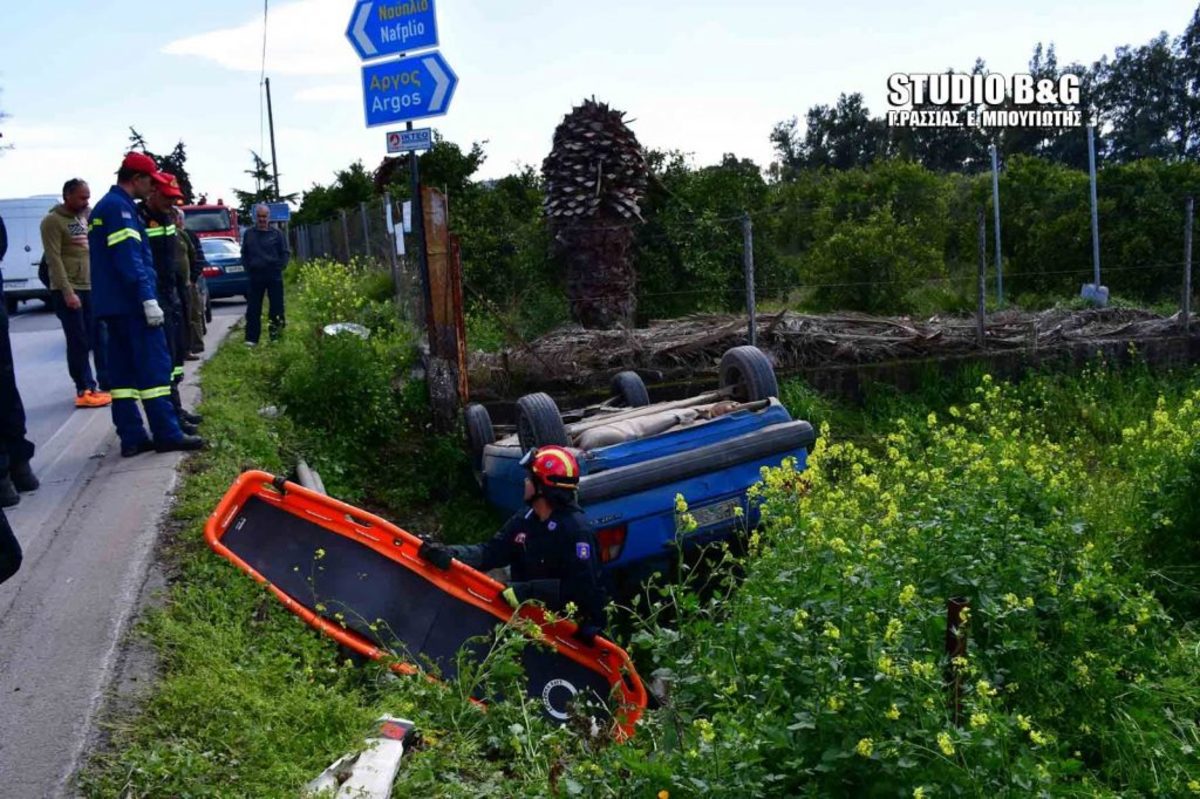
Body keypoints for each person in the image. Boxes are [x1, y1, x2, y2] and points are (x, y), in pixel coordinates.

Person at [418, 445, 608, 642]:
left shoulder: (576, 531)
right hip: (529, 626)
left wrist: (528, 591)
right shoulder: (526, 520)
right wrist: (450, 554)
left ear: (542, 488)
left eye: (529, 478)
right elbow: (491, 552)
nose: (525, 482)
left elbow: (582, 589)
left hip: (568, 636)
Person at [89, 152, 203, 457]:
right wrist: (147, 298)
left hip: (114, 307)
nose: (152, 189)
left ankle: (133, 437)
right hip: (132, 305)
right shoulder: (120, 210)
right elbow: (129, 258)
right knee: (154, 371)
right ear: (136, 179)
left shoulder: (107, 206)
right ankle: (167, 433)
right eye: (150, 182)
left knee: (123, 376)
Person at [139, 173, 201, 434]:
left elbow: (171, 261)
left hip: (172, 293)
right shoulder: (140, 217)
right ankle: (171, 419)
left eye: (175, 199)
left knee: (176, 358)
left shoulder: (166, 218)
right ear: (153, 192)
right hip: (156, 296)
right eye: (167, 197)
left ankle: (177, 410)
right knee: (162, 364)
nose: (171, 203)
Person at [42, 179, 112, 408]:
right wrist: (67, 291)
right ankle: (85, 388)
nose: (86, 201)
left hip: (90, 286)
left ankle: (106, 381)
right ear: (68, 196)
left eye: (88, 196)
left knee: (99, 335)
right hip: (69, 290)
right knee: (78, 341)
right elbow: (54, 259)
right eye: (82, 197)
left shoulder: (83, 218)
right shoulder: (52, 221)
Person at [241, 203, 289, 346]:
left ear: (269, 217)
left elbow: (285, 253)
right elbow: (244, 253)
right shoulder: (249, 234)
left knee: (276, 308)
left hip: (274, 275)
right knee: (253, 309)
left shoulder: (277, 234)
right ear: (256, 217)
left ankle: (276, 337)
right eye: (259, 216)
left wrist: (280, 267)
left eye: (264, 216)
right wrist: (248, 267)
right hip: (255, 276)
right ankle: (251, 339)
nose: (262, 219)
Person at [174, 207, 206, 355]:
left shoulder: (189, 235)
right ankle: (184, 348)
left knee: (194, 315)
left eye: (176, 218)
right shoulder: (171, 235)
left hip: (190, 282)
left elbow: (198, 258)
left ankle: (196, 347)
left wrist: (193, 278)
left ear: (180, 219)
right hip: (175, 284)